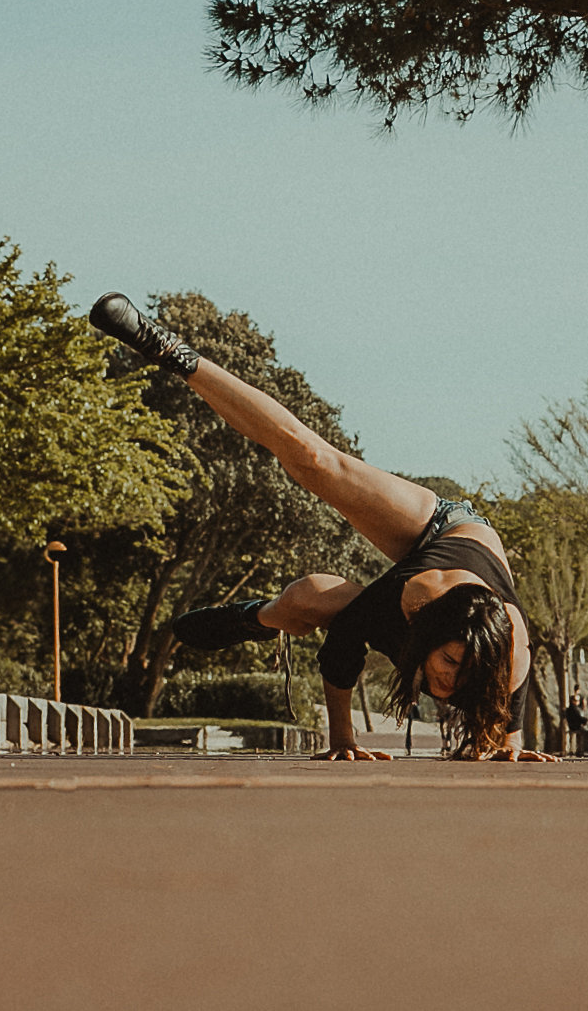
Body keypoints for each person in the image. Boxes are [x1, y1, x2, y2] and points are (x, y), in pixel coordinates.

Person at [89, 292, 555, 762]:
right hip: (447, 527)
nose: (451, 683)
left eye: (466, 672)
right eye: (450, 663)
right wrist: (343, 739)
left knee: (311, 596)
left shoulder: (509, 651)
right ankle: (171, 351)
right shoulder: (404, 603)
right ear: (424, 635)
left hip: (464, 590)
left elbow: (506, 728)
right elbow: (341, 650)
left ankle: (255, 616)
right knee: (315, 465)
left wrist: (507, 746)